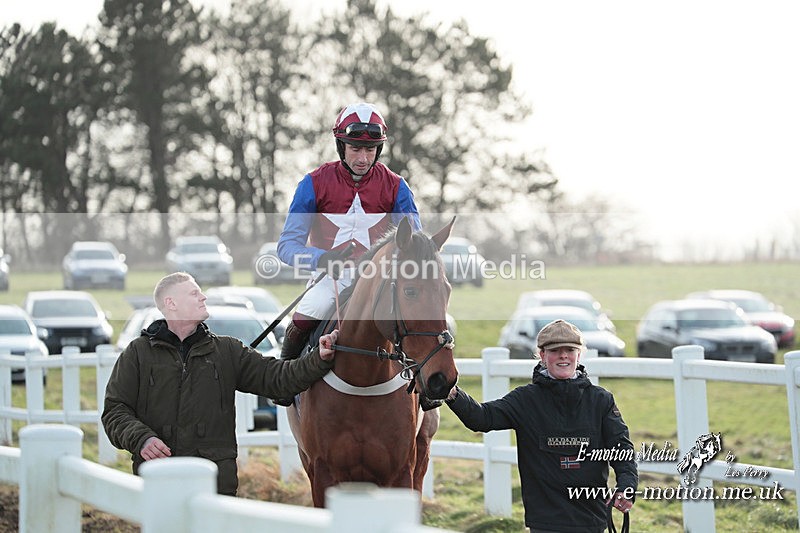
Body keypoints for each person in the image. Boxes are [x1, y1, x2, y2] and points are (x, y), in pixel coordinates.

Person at [102, 272, 339, 496]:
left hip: (215, 485)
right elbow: (115, 411)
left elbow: (278, 378)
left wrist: (318, 357)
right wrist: (141, 439)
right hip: (158, 481)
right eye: (194, 293)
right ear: (171, 303)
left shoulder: (227, 351)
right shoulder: (138, 353)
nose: (203, 297)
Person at [274, 102, 422, 403]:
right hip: (330, 277)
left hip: (380, 280)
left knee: (421, 316)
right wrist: (321, 259)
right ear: (341, 146)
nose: (363, 158)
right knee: (311, 309)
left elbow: (415, 243)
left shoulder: (397, 187)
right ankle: (284, 379)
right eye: (355, 149)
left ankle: (427, 386)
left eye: (370, 150)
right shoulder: (312, 183)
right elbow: (286, 247)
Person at [445, 319, 638, 532]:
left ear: (579, 354)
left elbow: (621, 448)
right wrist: (451, 392)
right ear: (542, 355)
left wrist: (627, 486)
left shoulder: (601, 400)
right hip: (545, 521)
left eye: (570, 350)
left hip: (591, 518)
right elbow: (482, 418)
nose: (563, 356)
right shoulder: (525, 400)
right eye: (555, 350)